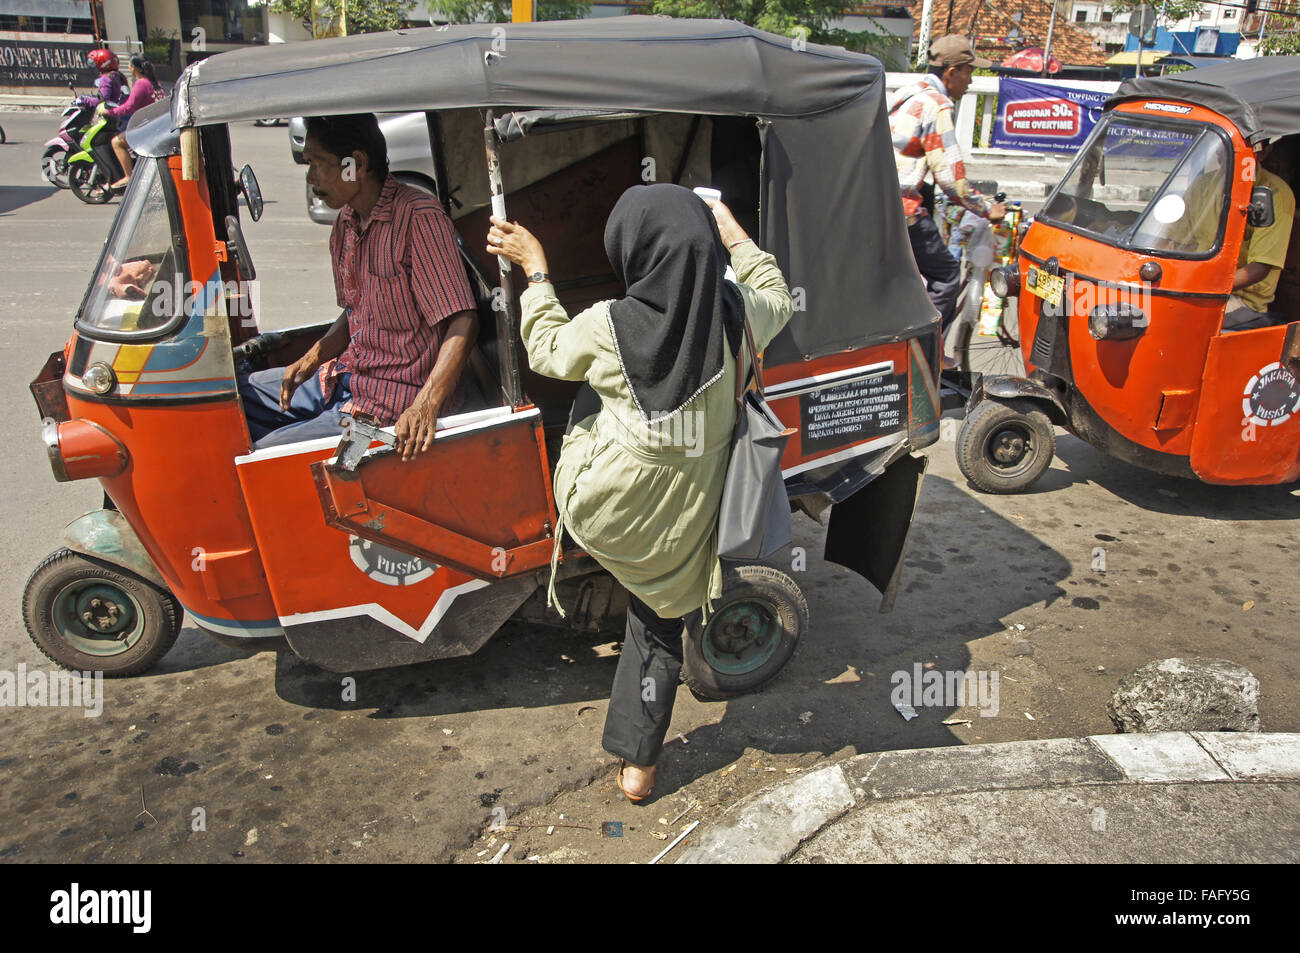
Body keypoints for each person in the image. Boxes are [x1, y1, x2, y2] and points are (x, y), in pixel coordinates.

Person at [486, 184, 793, 801]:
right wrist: (727, 223)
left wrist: (536, 269)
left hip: (602, 510)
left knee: (587, 395)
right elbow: (779, 294)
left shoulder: (608, 325)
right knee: (657, 626)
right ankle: (639, 767)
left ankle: (610, 565)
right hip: (682, 521)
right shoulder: (738, 312)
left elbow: (545, 350)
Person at [238, 114, 477, 457]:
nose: (310, 177)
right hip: (343, 378)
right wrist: (312, 358)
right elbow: (355, 312)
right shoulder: (346, 223)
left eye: (318, 165)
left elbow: (463, 319)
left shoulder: (418, 218)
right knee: (235, 402)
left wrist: (426, 403)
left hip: (385, 412)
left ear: (357, 164)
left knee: (261, 456)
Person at [889, 35, 1006, 349]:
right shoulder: (937, 104)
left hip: (881, 205)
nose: (971, 80)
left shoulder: (908, 93)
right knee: (946, 276)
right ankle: (926, 356)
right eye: (968, 72)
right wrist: (986, 208)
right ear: (952, 72)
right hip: (904, 209)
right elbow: (951, 180)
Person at [1222, 140, 1296, 331]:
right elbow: (1172, 239)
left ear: (1263, 152)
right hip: (1190, 285)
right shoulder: (1205, 184)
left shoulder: (1276, 193)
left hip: (1241, 298)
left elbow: (1259, 268)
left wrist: (1204, 287)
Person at [102, 55, 165, 191]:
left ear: (133, 68)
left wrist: (109, 112)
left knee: (116, 142)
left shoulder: (141, 83)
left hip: (147, 129)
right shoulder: (155, 83)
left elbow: (129, 107)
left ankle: (128, 176)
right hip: (157, 126)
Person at [79, 49, 127, 113]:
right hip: (124, 112)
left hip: (115, 115)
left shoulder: (106, 78)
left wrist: (83, 100)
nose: (96, 67)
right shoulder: (119, 76)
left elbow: (102, 100)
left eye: (97, 64)